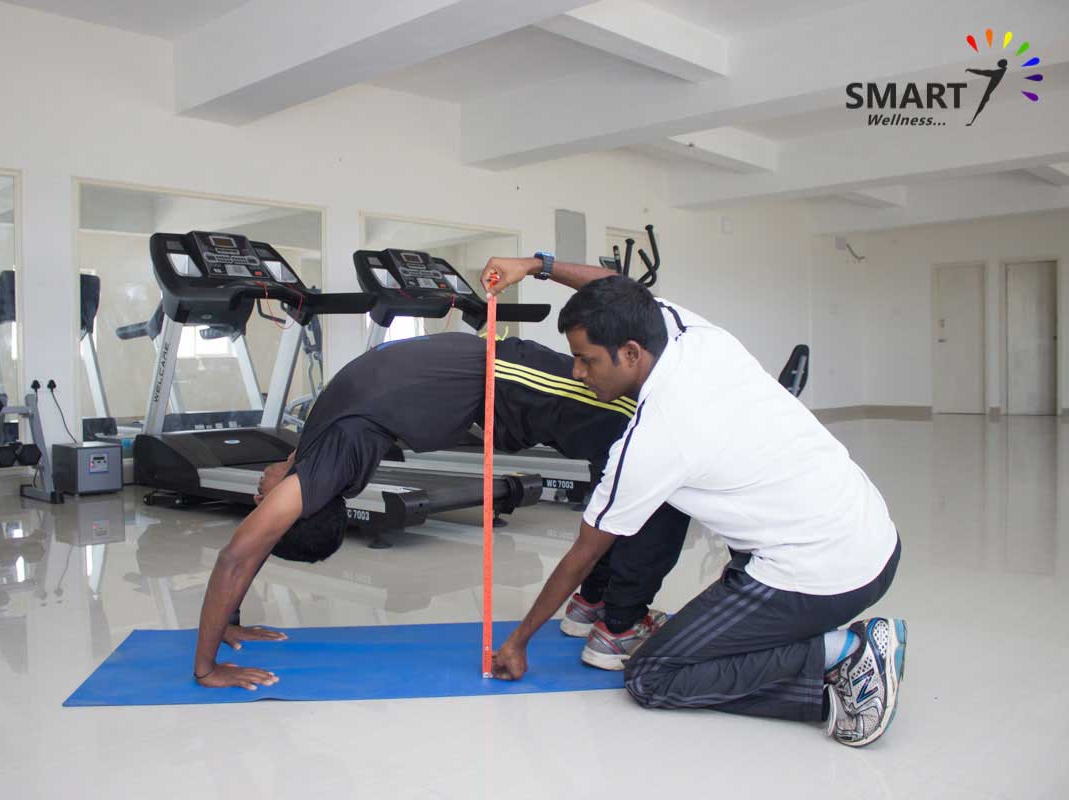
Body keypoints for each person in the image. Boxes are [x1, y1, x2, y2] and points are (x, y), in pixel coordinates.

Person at [481, 256, 905, 748]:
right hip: (873, 536)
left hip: (820, 572)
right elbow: (621, 288)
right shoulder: (687, 331)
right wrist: (538, 265)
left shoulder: (657, 435)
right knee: (706, 638)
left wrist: (519, 641)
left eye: (587, 360)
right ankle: (825, 649)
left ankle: (843, 656)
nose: (576, 373)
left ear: (631, 353)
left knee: (653, 676)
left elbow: (584, 554)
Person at [191, 331, 691, 690]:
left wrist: (228, 621)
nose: (258, 499)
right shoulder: (328, 464)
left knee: (627, 454)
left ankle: (594, 603)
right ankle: (619, 625)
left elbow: (253, 546)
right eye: (266, 506)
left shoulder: (311, 457)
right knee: (663, 448)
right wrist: (208, 667)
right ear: (302, 506)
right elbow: (239, 555)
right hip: (510, 381)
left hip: (506, 377)